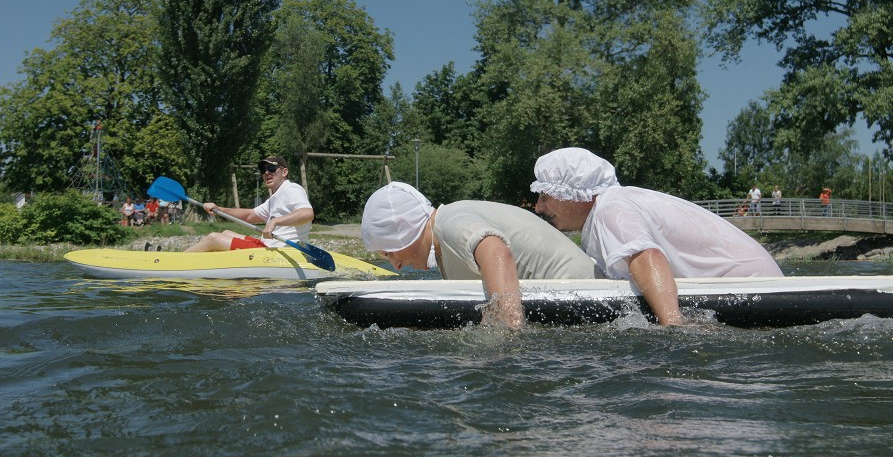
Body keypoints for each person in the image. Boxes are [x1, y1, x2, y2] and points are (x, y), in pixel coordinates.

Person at [531, 148, 783, 326]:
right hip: (751, 285)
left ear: (574, 193)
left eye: (544, 196)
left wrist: (674, 327)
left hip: (758, 288)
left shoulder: (611, 208)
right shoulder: (608, 209)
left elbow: (646, 256)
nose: (538, 208)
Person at [361, 182, 599, 329]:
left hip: (585, 295)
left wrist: (507, 331)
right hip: (572, 300)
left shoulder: (451, 224)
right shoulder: (445, 240)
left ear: (402, 229)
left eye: (390, 253)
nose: (397, 266)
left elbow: (496, 250)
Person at [184, 156, 313, 252]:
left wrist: (275, 222)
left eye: (272, 168)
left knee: (213, 238)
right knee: (226, 232)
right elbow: (250, 215)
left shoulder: (291, 189)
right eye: (263, 169)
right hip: (268, 247)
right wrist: (219, 209)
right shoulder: (274, 197)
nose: (266, 172)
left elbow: (307, 214)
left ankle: (177, 261)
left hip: (281, 252)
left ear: (284, 172)